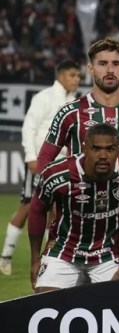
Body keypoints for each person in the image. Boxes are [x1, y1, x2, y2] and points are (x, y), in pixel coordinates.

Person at [28, 124, 119, 292]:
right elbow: (37, 210)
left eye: (110, 149)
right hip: (64, 253)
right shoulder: (57, 174)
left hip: (108, 254)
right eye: (96, 149)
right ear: (85, 148)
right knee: (46, 303)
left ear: (118, 150)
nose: (103, 155)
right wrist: (35, 259)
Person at [0, 60, 81, 275]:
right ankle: (5, 256)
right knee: (28, 206)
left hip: (61, 164)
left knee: (56, 211)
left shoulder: (73, 101)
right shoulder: (44, 98)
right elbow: (29, 126)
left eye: (78, 76)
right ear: (61, 76)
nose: (77, 80)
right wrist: (29, 156)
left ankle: (50, 257)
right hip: (40, 161)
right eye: (73, 75)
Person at [36, 38, 119, 171]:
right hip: (81, 192)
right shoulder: (69, 112)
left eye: (116, 64)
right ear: (90, 69)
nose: (110, 70)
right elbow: (45, 157)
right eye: (102, 63)